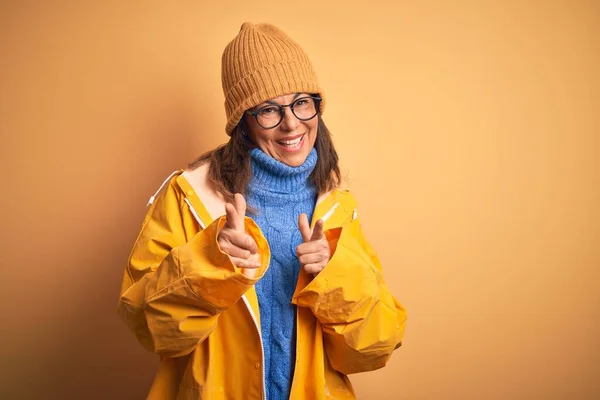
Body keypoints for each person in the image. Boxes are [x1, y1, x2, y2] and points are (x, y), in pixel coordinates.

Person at [118, 22, 407, 400]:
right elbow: (150, 327)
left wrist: (335, 273)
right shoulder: (189, 197)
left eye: (302, 102)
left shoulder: (337, 206)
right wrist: (210, 261)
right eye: (269, 109)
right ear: (242, 122)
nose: (292, 123)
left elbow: (373, 348)